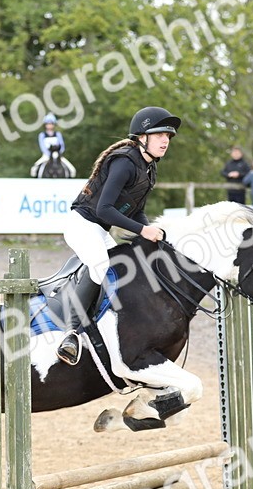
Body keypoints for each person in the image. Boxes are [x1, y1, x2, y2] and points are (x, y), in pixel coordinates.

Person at [56, 106, 176, 366]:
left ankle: (107, 327)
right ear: (142, 137)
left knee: (121, 269)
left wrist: (151, 236)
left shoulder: (148, 168)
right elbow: (104, 209)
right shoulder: (124, 162)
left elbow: (137, 211)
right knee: (100, 265)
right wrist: (143, 230)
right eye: (159, 135)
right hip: (81, 224)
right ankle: (70, 334)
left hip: (100, 229)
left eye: (168, 136)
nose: (165, 140)